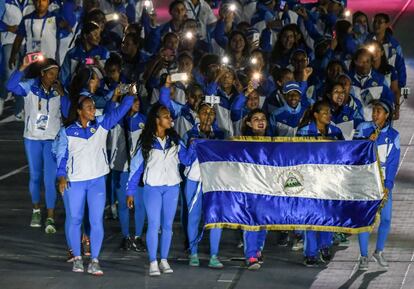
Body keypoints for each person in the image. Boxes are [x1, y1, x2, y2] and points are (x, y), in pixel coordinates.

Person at [55, 89, 135, 275]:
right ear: (79, 111)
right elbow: (62, 156)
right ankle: (77, 258)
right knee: (75, 219)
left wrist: (130, 95)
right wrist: (61, 176)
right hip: (75, 182)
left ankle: (95, 260)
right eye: (90, 108)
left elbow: (121, 110)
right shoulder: (67, 131)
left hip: (97, 180)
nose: (94, 111)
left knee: (96, 221)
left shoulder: (101, 125)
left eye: (94, 108)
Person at [126, 103, 195, 276]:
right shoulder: (146, 141)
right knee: (154, 224)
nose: (170, 119)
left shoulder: (175, 140)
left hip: (172, 187)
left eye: (170, 116)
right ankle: (152, 261)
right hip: (153, 188)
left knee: (167, 226)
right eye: (166, 116)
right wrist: (130, 192)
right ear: (157, 120)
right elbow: (136, 169)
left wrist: (193, 146)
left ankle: (163, 259)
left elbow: (186, 160)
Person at [7, 56, 67, 232]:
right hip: (32, 139)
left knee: (50, 180)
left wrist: (62, 93)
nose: (53, 77)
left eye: (56, 74)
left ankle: (49, 216)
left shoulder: (59, 90)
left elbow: (67, 110)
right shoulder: (29, 87)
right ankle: (35, 209)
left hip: (51, 140)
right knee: (35, 176)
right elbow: (10, 87)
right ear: (42, 74)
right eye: (50, 73)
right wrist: (22, 67)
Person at [297, 100, 344, 267]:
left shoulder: (336, 131)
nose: (328, 115)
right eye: (324, 113)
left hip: (329, 180)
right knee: (310, 217)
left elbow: (342, 153)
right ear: (316, 115)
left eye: (329, 113)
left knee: (327, 215)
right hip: (309, 180)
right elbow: (297, 156)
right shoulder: (304, 132)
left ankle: (325, 247)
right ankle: (310, 253)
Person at [355, 99, 400, 271]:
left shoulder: (393, 136)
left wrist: (388, 183)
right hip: (365, 180)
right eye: (374, 111)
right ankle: (363, 255)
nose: (375, 114)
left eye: (379, 111)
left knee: (386, 218)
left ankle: (379, 251)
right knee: (364, 219)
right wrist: (368, 141)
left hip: (383, 183)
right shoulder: (363, 128)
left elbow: (393, 162)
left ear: (387, 115)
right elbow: (354, 151)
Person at [182, 102, 225, 268]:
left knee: (216, 219)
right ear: (197, 114)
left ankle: (214, 255)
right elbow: (184, 160)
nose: (208, 115)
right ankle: (193, 252)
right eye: (204, 112)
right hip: (194, 181)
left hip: (214, 183)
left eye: (211, 112)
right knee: (194, 218)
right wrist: (193, 145)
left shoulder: (221, 135)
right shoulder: (189, 134)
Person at [105, 92, 147, 252]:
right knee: (123, 204)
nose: (137, 104)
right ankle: (125, 236)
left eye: (138, 101)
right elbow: (109, 109)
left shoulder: (143, 120)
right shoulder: (117, 118)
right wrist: (115, 96)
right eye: (133, 101)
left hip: (138, 169)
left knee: (139, 204)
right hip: (120, 167)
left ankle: (137, 237)